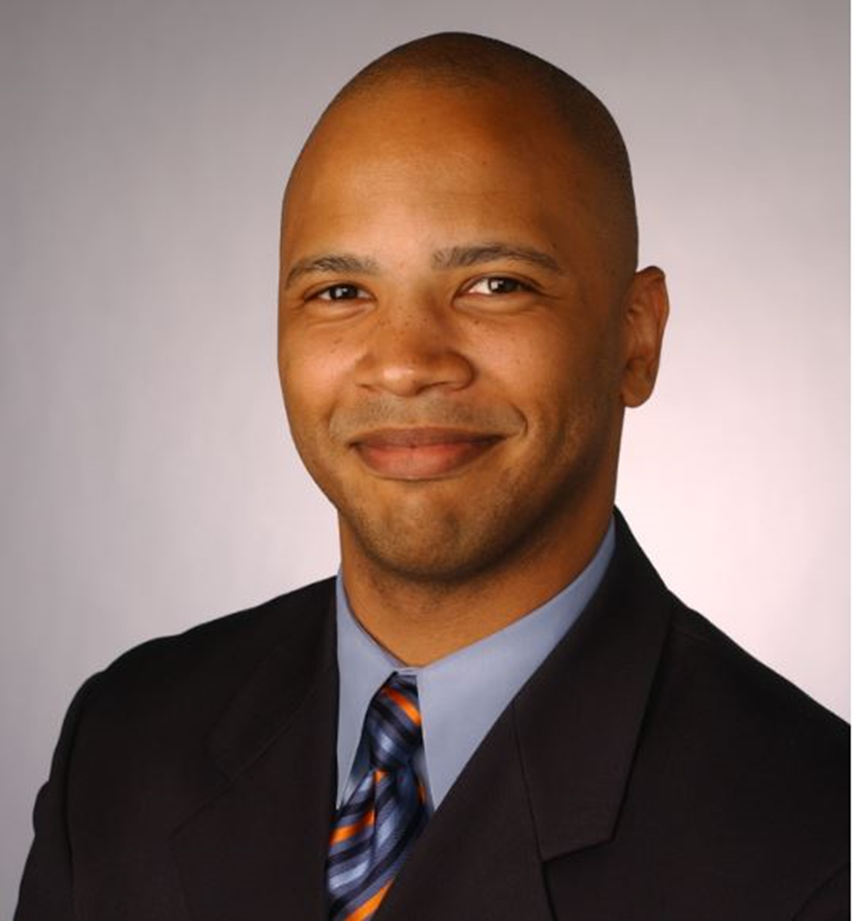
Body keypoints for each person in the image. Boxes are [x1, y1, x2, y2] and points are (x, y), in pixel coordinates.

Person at [15, 32, 848, 921]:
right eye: (339, 292)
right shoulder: (124, 743)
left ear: (635, 338)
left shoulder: (816, 841)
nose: (405, 364)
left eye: (496, 284)